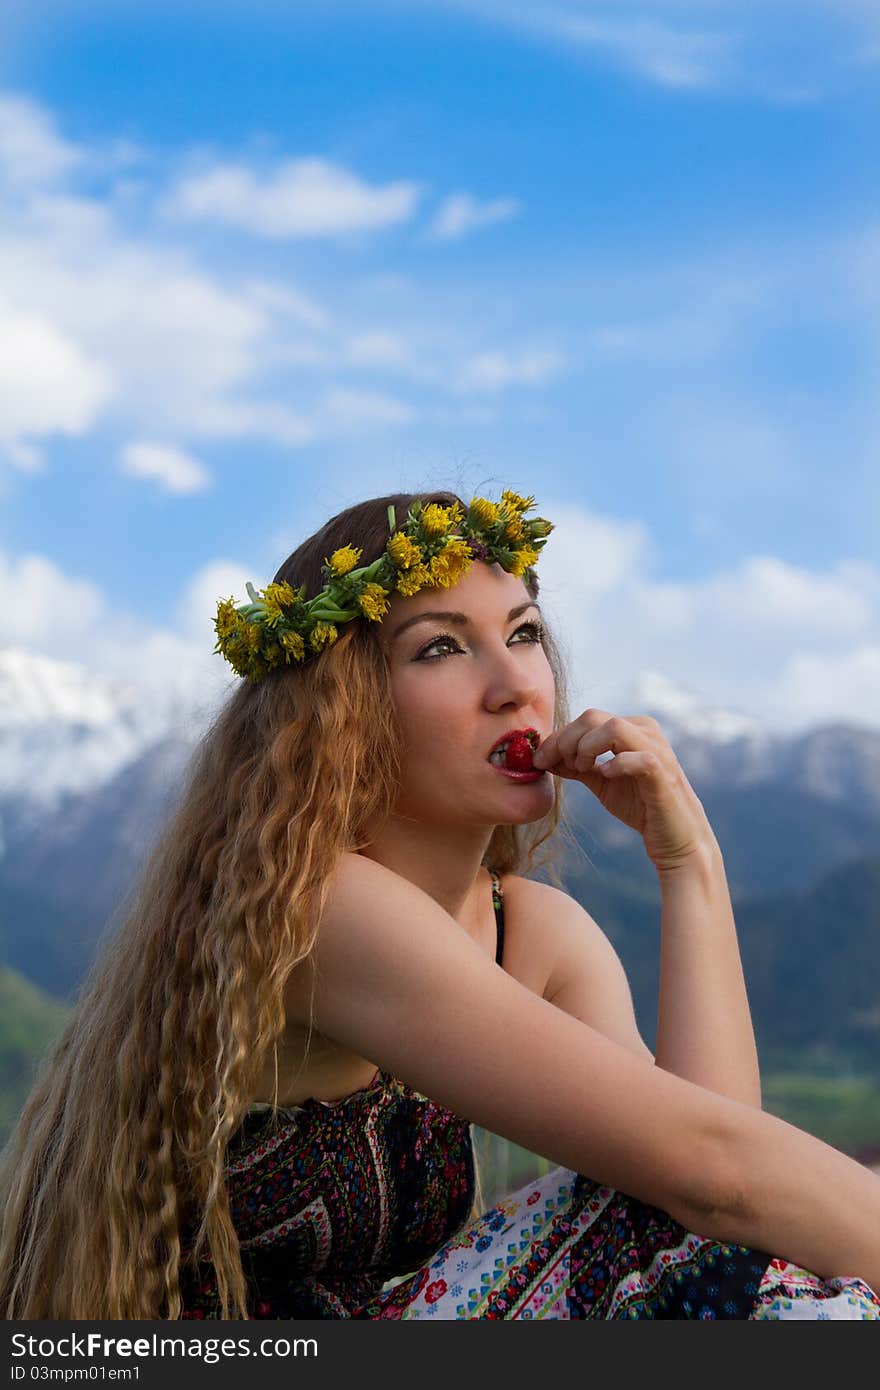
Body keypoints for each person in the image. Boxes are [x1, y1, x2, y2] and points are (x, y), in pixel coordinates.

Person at [1, 487, 878, 1321]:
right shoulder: (319, 910)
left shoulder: (532, 931)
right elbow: (716, 1176)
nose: (515, 685)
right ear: (343, 711)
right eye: (441, 647)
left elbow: (718, 1190)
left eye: (525, 632)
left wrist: (690, 865)